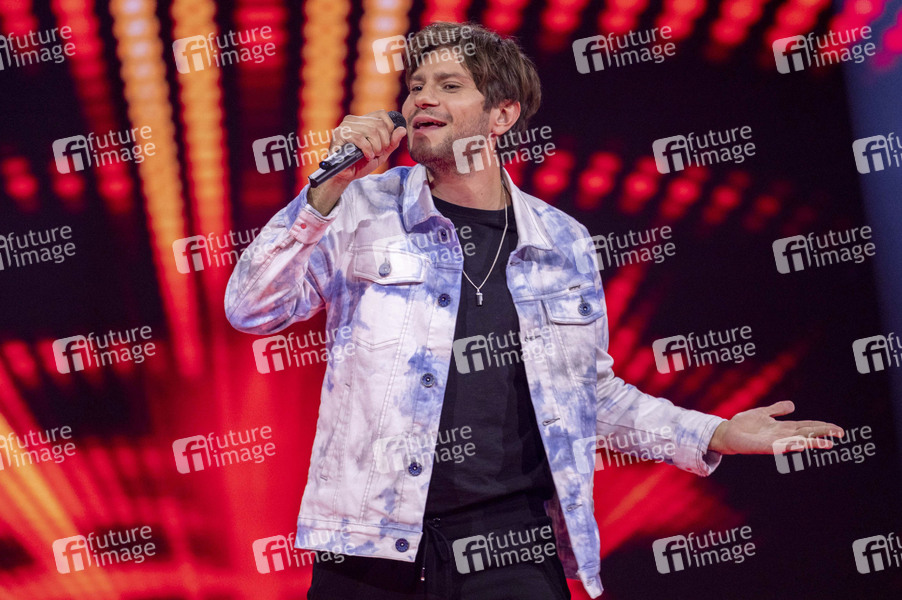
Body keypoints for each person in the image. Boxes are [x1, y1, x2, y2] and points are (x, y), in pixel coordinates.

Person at [225, 21, 843, 600]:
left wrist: (715, 433)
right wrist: (323, 193)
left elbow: (591, 395)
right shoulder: (361, 208)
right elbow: (251, 309)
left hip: (511, 547)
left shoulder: (560, 241)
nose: (422, 99)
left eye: (449, 86)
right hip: (368, 543)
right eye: (415, 87)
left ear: (502, 115)